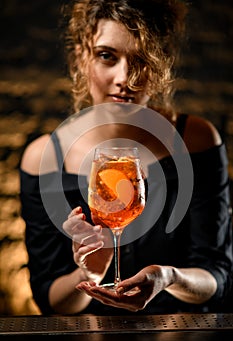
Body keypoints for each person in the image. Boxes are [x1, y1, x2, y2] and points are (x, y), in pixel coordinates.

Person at [20, 0, 233, 315]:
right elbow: (50, 301)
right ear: (81, 56)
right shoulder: (43, 157)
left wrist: (168, 277)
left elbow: (218, 277)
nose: (125, 78)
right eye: (107, 56)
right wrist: (88, 274)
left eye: (140, 60)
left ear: (159, 64)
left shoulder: (196, 140)